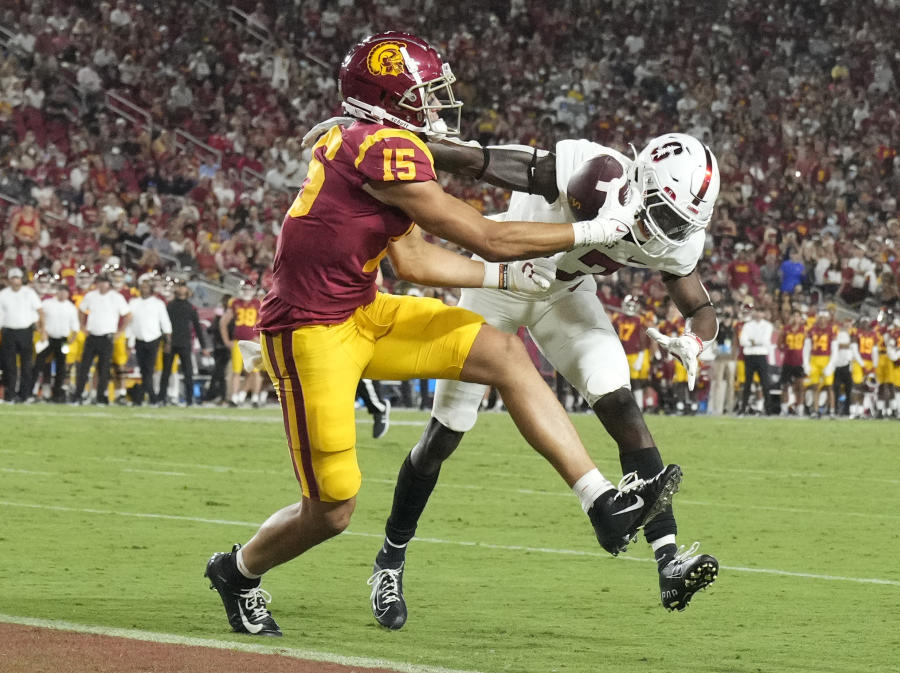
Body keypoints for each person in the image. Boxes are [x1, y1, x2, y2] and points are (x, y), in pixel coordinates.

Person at [204, 32, 675, 638]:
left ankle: (601, 500)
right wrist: (591, 232)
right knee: (333, 510)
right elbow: (487, 234)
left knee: (505, 354)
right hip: (309, 334)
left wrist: (502, 277)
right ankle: (237, 571)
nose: (434, 106)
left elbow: (417, 264)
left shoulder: (367, 144)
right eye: (423, 94)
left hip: (365, 311)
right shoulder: (377, 151)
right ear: (384, 101)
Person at [360, 130, 722, 629]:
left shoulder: (677, 233)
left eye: (680, 223)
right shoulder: (596, 175)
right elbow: (488, 161)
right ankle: (389, 560)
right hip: (501, 278)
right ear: (641, 182)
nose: (668, 231)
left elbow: (699, 305)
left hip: (565, 293)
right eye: (662, 213)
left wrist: (699, 340)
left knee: (618, 398)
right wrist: (411, 146)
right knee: (445, 431)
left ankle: (668, 561)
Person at [73, 273, 129, 405]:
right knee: (84, 367)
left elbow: (127, 315)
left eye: (105, 282)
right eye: (100, 282)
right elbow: (81, 310)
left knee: (104, 369)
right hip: (92, 335)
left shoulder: (117, 297)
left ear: (109, 284)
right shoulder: (90, 296)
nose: (102, 284)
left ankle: (100, 396)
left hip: (107, 336)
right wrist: (82, 326)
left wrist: (120, 331)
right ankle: (78, 394)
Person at [159, 278, 207, 406]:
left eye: (183, 286)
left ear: (187, 290)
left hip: (185, 343)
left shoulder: (190, 307)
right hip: (171, 343)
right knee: (166, 372)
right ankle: (161, 398)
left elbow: (197, 327)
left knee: (188, 373)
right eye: (179, 286)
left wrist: (204, 346)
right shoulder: (169, 305)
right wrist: (165, 341)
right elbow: (163, 325)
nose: (181, 289)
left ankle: (189, 400)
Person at [0, 267, 43, 403]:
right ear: (9, 280)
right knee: (9, 365)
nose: (15, 280)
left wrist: (43, 329)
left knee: (26, 365)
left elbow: (40, 311)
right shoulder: (3, 294)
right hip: (8, 331)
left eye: (17, 277)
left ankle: (25, 395)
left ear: (21, 279)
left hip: (25, 331)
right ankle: (10, 395)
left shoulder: (29, 293)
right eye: (13, 278)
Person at [127, 273, 171, 405]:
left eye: (147, 287)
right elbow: (130, 323)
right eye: (143, 287)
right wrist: (128, 340)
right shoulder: (133, 303)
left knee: (149, 368)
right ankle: (149, 396)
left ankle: (146, 396)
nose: (144, 289)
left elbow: (165, 322)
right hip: (139, 338)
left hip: (154, 338)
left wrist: (168, 339)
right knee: (143, 369)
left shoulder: (158, 303)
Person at [220, 280, 264, 407]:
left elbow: (264, 323)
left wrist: (260, 339)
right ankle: (234, 397)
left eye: (249, 289)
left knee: (255, 371)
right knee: (236, 371)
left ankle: (255, 398)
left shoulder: (258, 303)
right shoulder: (235, 303)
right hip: (238, 342)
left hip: (252, 341)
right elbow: (223, 323)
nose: (247, 292)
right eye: (245, 289)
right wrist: (226, 341)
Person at [38, 282, 80, 402]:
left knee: (61, 366)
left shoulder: (71, 307)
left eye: (65, 291)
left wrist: (69, 341)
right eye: (60, 291)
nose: (62, 294)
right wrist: (42, 332)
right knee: (40, 362)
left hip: (63, 340)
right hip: (47, 338)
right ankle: (37, 389)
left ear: (68, 293)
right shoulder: (47, 304)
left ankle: (57, 394)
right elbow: (38, 318)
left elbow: (75, 328)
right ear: (57, 292)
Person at [738, 305, 774, 415]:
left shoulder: (768, 326)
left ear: (763, 314)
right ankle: (743, 408)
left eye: (761, 312)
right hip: (749, 356)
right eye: (757, 311)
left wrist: (751, 341)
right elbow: (742, 341)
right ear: (754, 313)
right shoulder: (747, 325)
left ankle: (769, 410)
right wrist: (754, 342)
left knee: (765, 384)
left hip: (761, 356)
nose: (758, 314)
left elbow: (765, 340)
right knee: (747, 384)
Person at [803, 309, 836, 417]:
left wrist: (831, 364)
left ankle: (831, 410)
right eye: (820, 318)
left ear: (827, 319)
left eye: (824, 318)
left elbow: (834, 349)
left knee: (830, 386)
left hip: (826, 358)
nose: (822, 320)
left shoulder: (831, 330)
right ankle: (815, 410)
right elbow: (806, 348)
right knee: (815, 386)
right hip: (814, 359)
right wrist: (806, 363)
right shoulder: (812, 330)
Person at [778, 310, 807, 416]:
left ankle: (800, 408)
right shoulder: (786, 329)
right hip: (788, 361)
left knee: (800, 386)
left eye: (798, 316)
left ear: (800, 318)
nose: (796, 318)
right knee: (784, 386)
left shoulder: (804, 330)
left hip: (799, 361)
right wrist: (785, 351)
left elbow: (807, 345)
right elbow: (779, 343)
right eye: (794, 316)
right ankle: (784, 408)